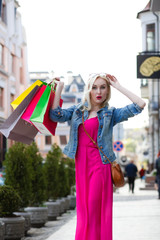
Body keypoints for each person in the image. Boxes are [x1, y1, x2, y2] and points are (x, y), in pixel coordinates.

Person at [50, 73, 146, 240]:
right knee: (84, 212)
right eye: (94, 87)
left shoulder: (110, 113)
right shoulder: (77, 111)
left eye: (103, 87)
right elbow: (55, 115)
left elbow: (140, 104)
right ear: (89, 89)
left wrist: (118, 86)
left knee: (94, 208)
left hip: (100, 166)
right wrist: (60, 88)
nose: (98, 91)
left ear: (108, 91)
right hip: (81, 166)